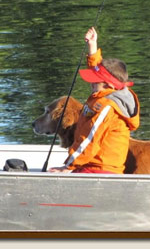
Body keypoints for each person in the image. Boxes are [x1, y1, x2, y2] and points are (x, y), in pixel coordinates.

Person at [49, 27, 140, 174]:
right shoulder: (113, 93)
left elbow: (89, 140)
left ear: (108, 85)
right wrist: (93, 47)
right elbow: (99, 70)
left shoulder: (105, 107)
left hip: (99, 170)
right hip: (90, 164)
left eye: (95, 81)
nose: (91, 82)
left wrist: (67, 167)